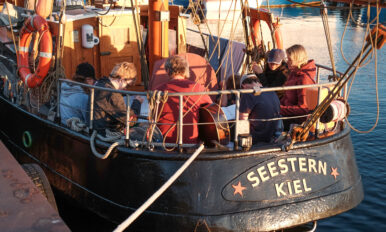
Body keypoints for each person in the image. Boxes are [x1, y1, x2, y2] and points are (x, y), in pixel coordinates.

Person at [156, 55, 213, 144]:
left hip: (165, 141)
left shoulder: (159, 90)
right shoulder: (197, 88)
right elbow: (211, 108)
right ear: (185, 70)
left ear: (167, 71)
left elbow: (154, 114)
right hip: (190, 141)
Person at [93, 62, 139, 134]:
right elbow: (131, 120)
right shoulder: (112, 94)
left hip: (94, 127)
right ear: (121, 79)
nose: (126, 89)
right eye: (127, 86)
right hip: (104, 133)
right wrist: (137, 102)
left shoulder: (100, 83)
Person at [280, 44, 316, 130]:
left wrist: (279, 109)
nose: (287, 61)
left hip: (296, 120)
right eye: (287, 58)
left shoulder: (304, 80)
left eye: (290, 59)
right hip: (287, 111)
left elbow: (303, 109)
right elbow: (286, 97)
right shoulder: (294, 73)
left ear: (298, 59)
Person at [239, 73, 282, 144]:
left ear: (243, 86)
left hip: (256, 137)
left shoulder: (248, 93)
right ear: (259, 83)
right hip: (272, 135)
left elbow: (242, 120)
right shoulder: (272, 91)